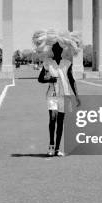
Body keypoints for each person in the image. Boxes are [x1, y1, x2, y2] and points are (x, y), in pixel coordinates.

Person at [33, 29, 82, 157]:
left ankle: (57, 149)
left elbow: (71, 80)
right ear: (51, 50)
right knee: (53, 119)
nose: (57, 50)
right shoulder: (47, 63)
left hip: (65, 95)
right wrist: (50, 79)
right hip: (52, 95)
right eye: (54, 48)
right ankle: (51, 146)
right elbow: (40, 79)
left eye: (59, 48)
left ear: (63, 49)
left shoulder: (67, 63)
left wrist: (77, 96)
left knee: (61, 122)